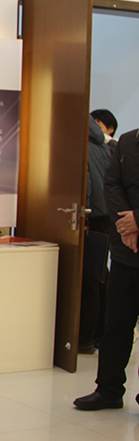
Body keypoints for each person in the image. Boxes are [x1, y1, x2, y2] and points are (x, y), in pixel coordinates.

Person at [74, 127, 139, 411]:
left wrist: (138, 220)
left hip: (131, 232)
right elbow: (111, 184)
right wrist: (127, 225)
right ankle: (108, 390)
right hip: (125, 250)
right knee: (116, 327)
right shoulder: (128, 141)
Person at [80, 116, 113, 354]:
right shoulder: (101, 143)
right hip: (104, 214)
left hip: (89, 215)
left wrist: (83, 215)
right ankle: (100, 334)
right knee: (99, 275)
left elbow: (87, 184)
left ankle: (84, 339)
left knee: (88, 279)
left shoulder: (81, 141)